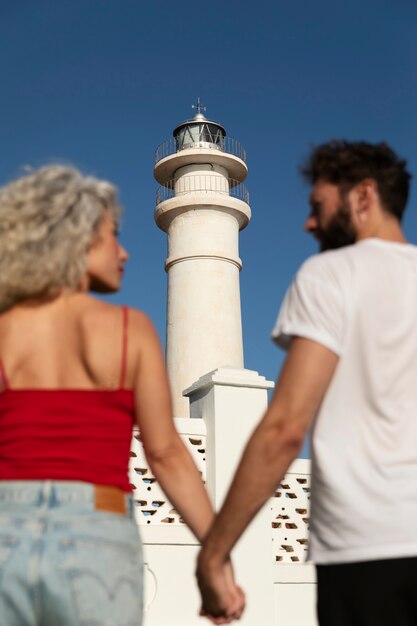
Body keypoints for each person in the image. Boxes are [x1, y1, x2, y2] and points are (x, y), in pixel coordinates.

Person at [196, 141, 417, 626]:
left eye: (318, 206)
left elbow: (285, 429)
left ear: (363, 197)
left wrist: (213, 554)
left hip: (371, 551)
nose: (308, 224)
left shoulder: (330, 275)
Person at [0, 164, 229, 626]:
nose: (124, 253)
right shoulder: (129, 329)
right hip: (99, 532)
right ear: (76, 240)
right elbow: (165, 453)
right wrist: (215, 555)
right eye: (112, 235)